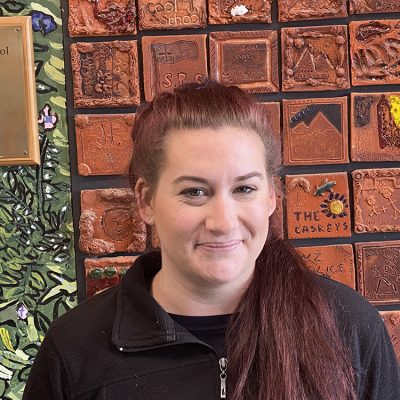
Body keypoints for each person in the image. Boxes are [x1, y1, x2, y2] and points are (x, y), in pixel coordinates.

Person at [23, 81, 400, 400]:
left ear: (271, 196)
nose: (223, 222)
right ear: (146, 201)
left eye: (244, 188)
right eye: (194, 192)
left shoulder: (349, 327)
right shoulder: (74, 350)